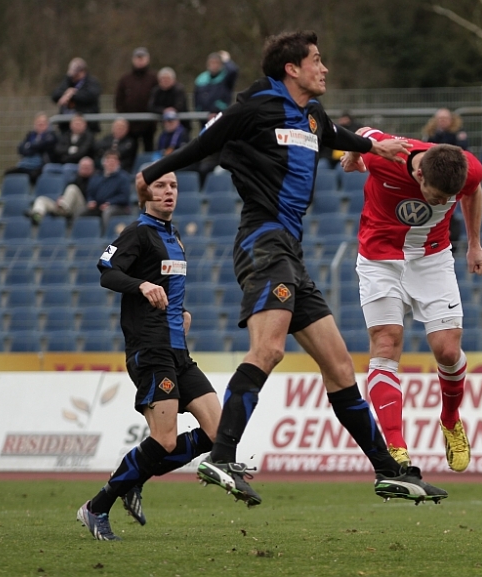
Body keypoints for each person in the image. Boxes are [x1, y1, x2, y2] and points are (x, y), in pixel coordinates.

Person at [136, 30, 446, 506]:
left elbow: (334, 135)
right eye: (316, 60)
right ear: (292, 69)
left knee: (339, 367)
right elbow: (203, 145)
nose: (324, 68)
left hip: (289, 254)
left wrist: (373, 149)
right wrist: (153, 172)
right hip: (263, 244)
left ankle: (388, 472)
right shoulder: (255, 108)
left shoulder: (313, 115)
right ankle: (221, 456)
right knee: (269, 349)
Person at [77, 171, 221, 541]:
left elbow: (167, 286)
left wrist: (181, 311)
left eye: (173, 186)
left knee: (218, 433)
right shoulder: (138, 233)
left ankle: (135, 477)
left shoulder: (174, 237)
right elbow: (106, 271)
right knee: (165, 440)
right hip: (151, 349)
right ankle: (96, 507)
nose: (169, 191)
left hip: (178, 351)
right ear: (145, 193)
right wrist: (140, 285)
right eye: (160, 186)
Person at [340, 127, 482, 472]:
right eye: (435, 196)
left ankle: (450, 420)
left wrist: (475, 244)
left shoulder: (469, 169)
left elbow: (473, 191)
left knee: (448, 350)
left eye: (445, 198)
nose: (439, 203)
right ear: (420, 174)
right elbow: (360, 132)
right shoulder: (388, 155)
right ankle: (396, 448)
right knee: (386, 342)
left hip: (432, 257)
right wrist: (354, 155)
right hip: (380, 258)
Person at [27, 156, 96, 223]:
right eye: (83, 167)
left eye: (87, 167)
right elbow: (64, 192)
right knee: (41, 199)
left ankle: (62, 209)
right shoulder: (75, 179)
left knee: (72, 188)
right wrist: (61, 197)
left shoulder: (96, 180)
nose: (84, 169)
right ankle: (37, 216)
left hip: (82, 208)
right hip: (66, 207)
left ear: (92, 168)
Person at [115, 47, 158, 152]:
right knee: (130, 151)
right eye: (137, 58)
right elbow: (119, 100)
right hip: (130, 124)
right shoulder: (125, 79)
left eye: (142, 58)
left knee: (149, 150)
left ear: (147, 59)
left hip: (149, 124)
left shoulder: (153, 78)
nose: (140, 61)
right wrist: (124, 117)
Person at [82, 151, 133, 230]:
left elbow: (124, 197)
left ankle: (105, 234)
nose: (111, 163)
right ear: (104, 162)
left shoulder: (123, 178)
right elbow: (90, 193)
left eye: (113, 161)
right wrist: (91, 201)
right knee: (82, 212)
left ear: (118, 163)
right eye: (108, 161)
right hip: (98, 206)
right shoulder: (97, 177)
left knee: (108, 212)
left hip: (118, 207)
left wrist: (110, 203)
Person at [4, 112, 58, 184]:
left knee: (33, 176)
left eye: (43, 122)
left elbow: (41, 146)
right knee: (9, 173)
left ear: (47, 124)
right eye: (38, 122)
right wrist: (32, 148)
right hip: (26, 164)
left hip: (41, 165)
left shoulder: (51, 136)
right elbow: (21, 148)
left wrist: (30, 147)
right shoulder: (30, 135)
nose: (41, 124)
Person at [51, 57, 101, 133]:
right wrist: (67, 93)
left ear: (82, 71)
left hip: (86, 126)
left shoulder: (92, 82)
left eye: (76, 73)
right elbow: (55, 95)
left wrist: (72, 95)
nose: (73, 76)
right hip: (66, 126)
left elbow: (91, 96)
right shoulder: (68, 81)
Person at [193, 51, 239, 122]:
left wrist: (226, 60)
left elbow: (233, 71)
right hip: (204, 117)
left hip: (221, 116)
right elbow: (196, 98)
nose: (214, 65)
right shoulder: (201, 79)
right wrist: (199, 111)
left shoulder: (225, 78)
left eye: (216, 63)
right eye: (212, 62)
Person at [149, 67, 191, 132]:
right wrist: (163, 110)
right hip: (165, 126)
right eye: (163, 79)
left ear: (173, 80)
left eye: (167, 79)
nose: (165, 81)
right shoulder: (156, 91)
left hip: (182, 125)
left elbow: (180, 105)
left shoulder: (179, 90)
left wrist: (172, 110)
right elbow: (151, 106)